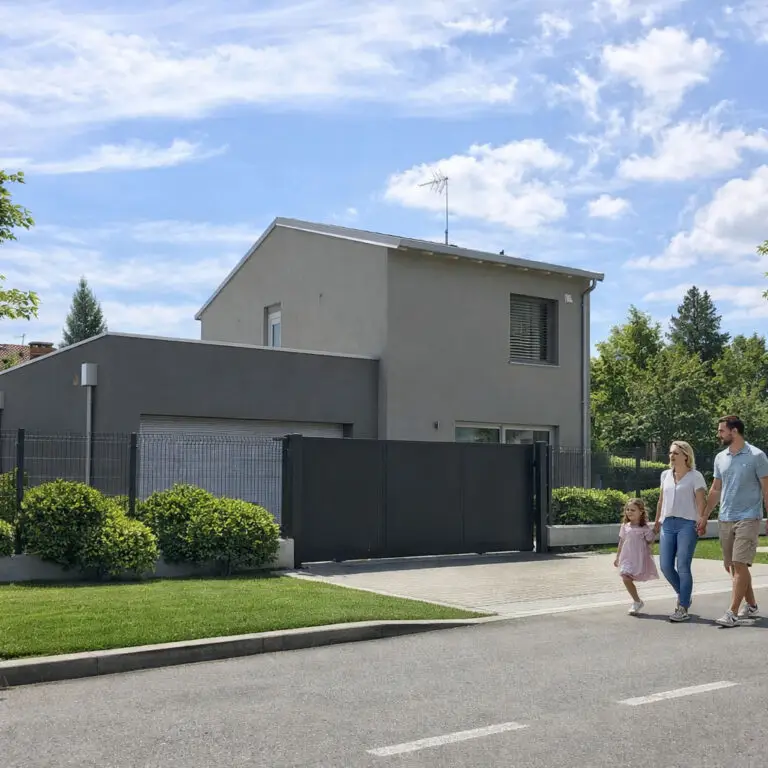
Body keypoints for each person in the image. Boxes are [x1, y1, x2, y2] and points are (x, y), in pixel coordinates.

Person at [703, 415, 768, 627]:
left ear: (734, 431)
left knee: (739, 563)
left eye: (722, 430)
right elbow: (715, 489)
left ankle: (732, 613)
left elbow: (766, 488)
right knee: (731, 566)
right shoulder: (720, 457)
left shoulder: (757, 456)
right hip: (725, 517)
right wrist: (704, 515)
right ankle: (751, 605)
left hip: (749, 516)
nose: (718, 434)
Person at [653, 440, 707, 623]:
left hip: (687, 524)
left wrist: (701, 520)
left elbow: (701, 501)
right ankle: (684, 593)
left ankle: (682, 606)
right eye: (670, 453)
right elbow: (661, 500)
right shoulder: (665, 475)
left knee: (683, 565)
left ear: (686, 455)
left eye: (675, 453)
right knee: (666, 566)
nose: (671, 456)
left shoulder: (695, 476)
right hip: (667, 523)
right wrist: (657, 521)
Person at [614, 497, 658, 615]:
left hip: (638, 558)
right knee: (625, 577)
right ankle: (637, 601)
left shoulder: (644, 528)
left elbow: (650, 540)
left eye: (633, 510)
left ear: (641, 512)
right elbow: (621, 541)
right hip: (626, 557)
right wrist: (617, 557)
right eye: (627, 509)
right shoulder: (625, 526)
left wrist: (655, 531)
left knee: (630, 576)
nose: (629, 512)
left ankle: (637, 602)